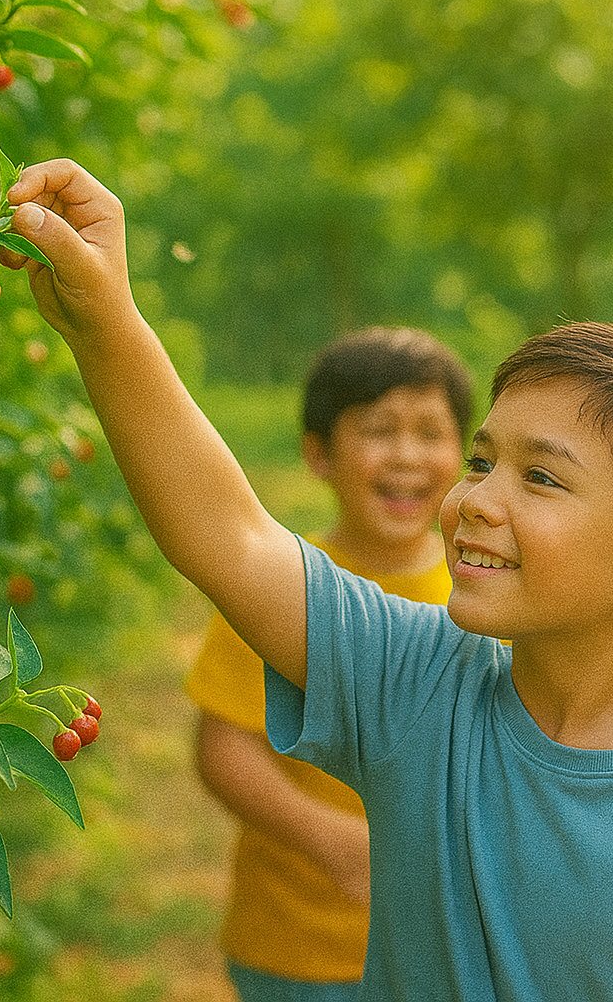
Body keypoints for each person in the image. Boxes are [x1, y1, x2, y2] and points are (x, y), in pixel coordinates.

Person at [0, 158, 613, 1000]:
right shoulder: (418, 685)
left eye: (541, 478)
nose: (474, 499)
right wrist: (106, 317)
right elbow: (229, 537)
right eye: (483, 461)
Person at [185, 326, 472, 1001]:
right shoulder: (278, 588)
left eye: (431, 431)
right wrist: (330, 840)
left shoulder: (487, 594)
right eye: (378, 429)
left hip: (448, 945)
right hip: (300, 948)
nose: (407, 456)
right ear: (319, 454)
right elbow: (224, 748)